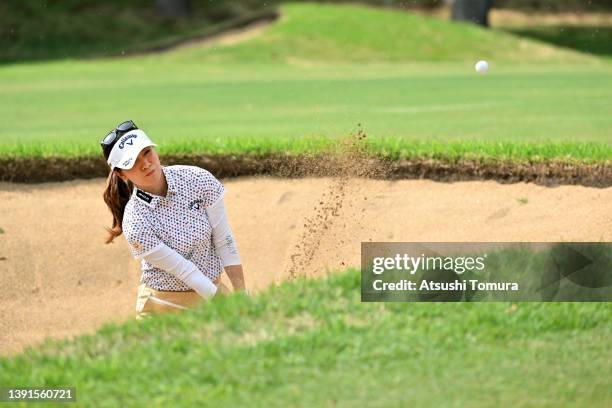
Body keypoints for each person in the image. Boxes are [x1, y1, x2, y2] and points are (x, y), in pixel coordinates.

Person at [100, 120, 247, 319]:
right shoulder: (135, 220)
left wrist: (241, 294)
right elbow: (184, 270)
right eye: (132, 162)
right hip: (161, 306)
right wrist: (222, 301)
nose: (146, 164)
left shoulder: (197, 179)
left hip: (210, 292)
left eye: (146, 152)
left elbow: (224, 239)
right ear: (121, 173)